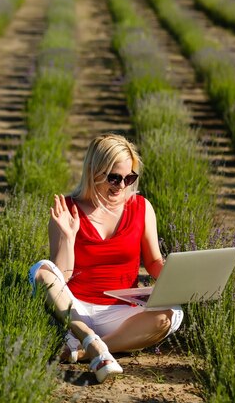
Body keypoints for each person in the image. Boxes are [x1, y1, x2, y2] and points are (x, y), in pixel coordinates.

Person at [28, 133, 183, 383]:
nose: (122, 185)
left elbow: (153, 261)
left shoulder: (142, 208)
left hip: (119, 313)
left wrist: (177, 277)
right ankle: (87, 337)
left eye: (129, 178)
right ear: (94, 171)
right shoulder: (67, 209)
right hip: (73, 310)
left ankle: (85, 350)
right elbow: (62, 278)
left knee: (170, 313)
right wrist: (68, 238)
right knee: (42, 270)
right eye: (114, 177)